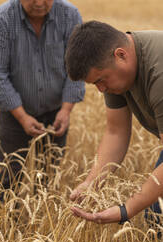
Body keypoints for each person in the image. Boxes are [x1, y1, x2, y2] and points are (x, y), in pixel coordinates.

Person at [65, 20, 163, 227]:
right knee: (157, 217)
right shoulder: (118, 75)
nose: (101, 89)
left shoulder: (159, 73)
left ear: (121, 55)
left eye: (101, 80)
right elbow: (116, 132)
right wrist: (92, 182)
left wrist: (126, 210)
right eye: (95, 84)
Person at [0, 0, 85, 193]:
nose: (39, 3)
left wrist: (66, 110)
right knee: (7, 178)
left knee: (47, 178)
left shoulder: (70, 15)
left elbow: (78, 68)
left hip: (56, 114)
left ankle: (41, 222)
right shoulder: (2, 19)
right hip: (14, 114)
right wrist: (22, 116)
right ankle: (7, 221)